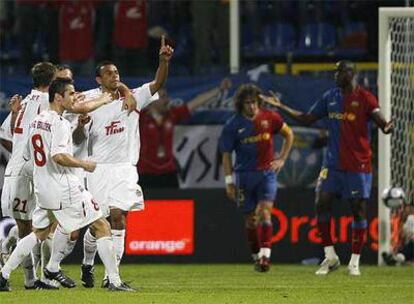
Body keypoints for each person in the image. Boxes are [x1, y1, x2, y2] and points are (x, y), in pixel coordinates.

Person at [260, 60, 394, 276]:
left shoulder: (366, 98)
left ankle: (354, 262)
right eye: (335, 71)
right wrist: (281, 107)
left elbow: (381, 122)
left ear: (350, 74)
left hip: (358, 166)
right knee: (321, 203)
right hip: (332, 165)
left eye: (339, 71)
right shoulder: (330, 97)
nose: (335, 75)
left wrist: (387, 126)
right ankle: (330, 256)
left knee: (357, 211)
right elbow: (307, 119)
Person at [0, 78, 133, 292]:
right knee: (102, 226)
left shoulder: (36, 121)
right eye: (70, 94)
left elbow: (29, 155)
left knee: (38, 233)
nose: (74, 97)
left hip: (43, 187)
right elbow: (59, 156)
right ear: (58, 97)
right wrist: (84, 164)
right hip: (63, 186)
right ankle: (115, 282)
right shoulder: (59, 123)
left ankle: (4, 274)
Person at [71, 36, 173, 288]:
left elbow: (158, 82)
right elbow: (76, 139)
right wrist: (82, 127)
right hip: (98, 169)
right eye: (108, 73)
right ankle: (87, 262)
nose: (114, 76)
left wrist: (163, 61)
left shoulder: (133, 97)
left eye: (116, 72)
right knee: (98, 223)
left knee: (118, 217)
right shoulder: (88, 102)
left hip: (125, 168)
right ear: (98, 79)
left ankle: (110, 277)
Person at [219, 83, 294, 272]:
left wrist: (282, 159)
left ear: (259, 102)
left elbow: (289, 134)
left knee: (265, 212)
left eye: (254, 102)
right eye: (247, 103)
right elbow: (226, 154)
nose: (252, 106)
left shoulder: (270, 117)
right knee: (251, 220)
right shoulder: (233, 125)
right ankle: (255, 255)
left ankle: (264, 257)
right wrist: (229, 182)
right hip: (244, 176)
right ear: (240, 104)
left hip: (266, 174)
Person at [138, 78, 231, 188]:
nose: (167, 100)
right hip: (146, 173)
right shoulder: (140, 118)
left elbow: (195, 103)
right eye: (163, 97)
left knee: (175, 205)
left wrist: (219, 89)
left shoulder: (172, 114)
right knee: (146, 206)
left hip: (168, 172)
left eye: (166, 96)